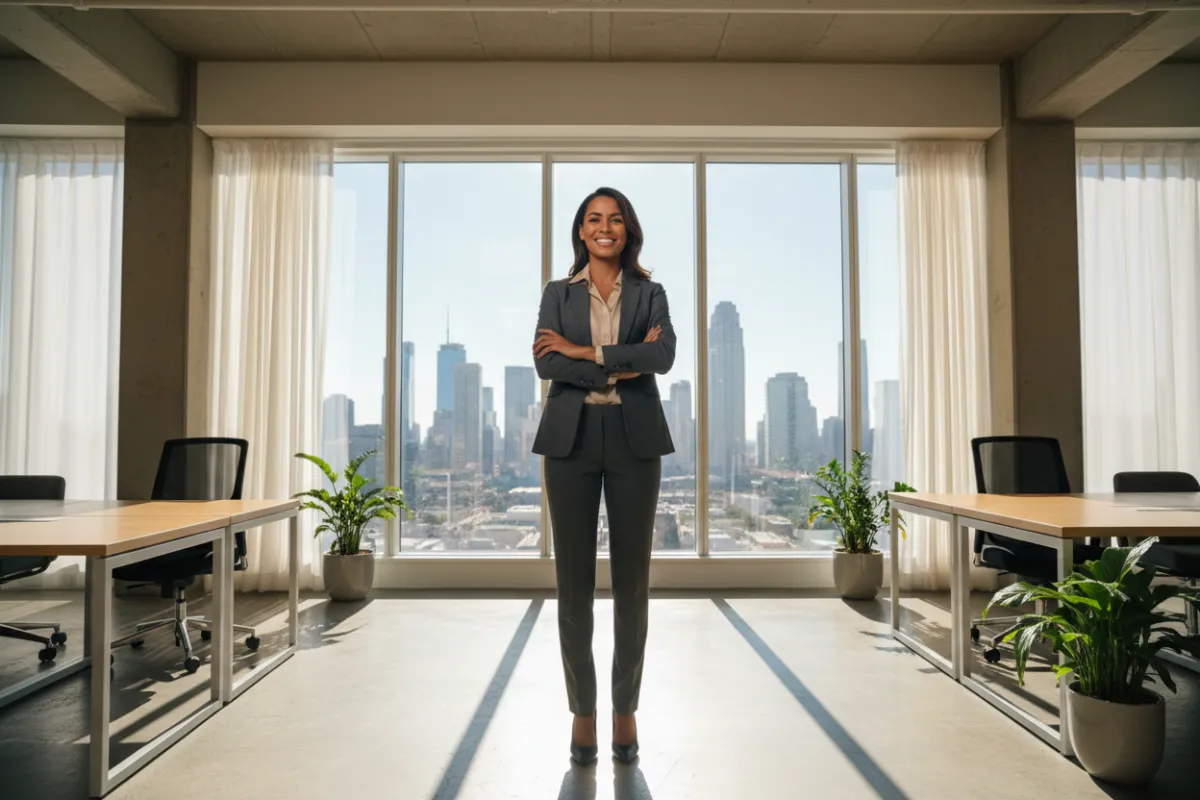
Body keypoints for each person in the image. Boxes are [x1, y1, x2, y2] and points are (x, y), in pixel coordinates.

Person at [532, 187, 676, 765]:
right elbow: (545, 361)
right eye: (594, 219)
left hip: (633, 439)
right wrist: (619, 359)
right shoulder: (557, 293)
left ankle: (626, 710)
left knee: (632, 586)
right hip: (568, 441)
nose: (605, 228)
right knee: (573, 587)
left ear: (627, 229)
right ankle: (582, 714)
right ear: (581, 230)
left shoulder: (650, 292)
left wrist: (583, 352)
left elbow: (662, 358)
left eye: (615, 219)